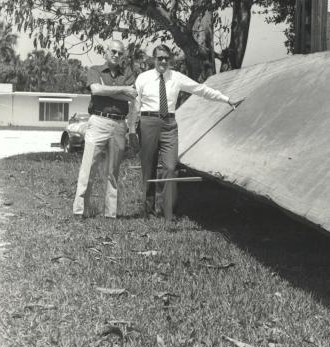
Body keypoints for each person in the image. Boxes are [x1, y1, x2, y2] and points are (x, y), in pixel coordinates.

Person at [133, 45, 240, 221]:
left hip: (169, 125)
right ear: (153, 59)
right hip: (148, 123)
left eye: (167, 58)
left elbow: (201, 89)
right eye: (160, 58)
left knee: (170, 167)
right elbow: (134, 103)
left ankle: (169, 213)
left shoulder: (176, 77)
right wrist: (131, 129)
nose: (164, 61)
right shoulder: (143, 78)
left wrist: (226, 99)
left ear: (170, 59)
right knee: (148, 168)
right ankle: (149, 212)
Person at [73, 39, 139, 218]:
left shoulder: (128, 74)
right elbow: (96, 90)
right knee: (88, 169)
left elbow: (131, 98)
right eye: (113, 51)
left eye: (119, 53)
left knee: (113, 172)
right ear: (106, 52)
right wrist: (122, 90)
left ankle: (110, 214)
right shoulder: (94, 70)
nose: (116, 55)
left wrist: (109, 90)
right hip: (98, 122)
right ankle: (79, 212)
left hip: (119, 125)